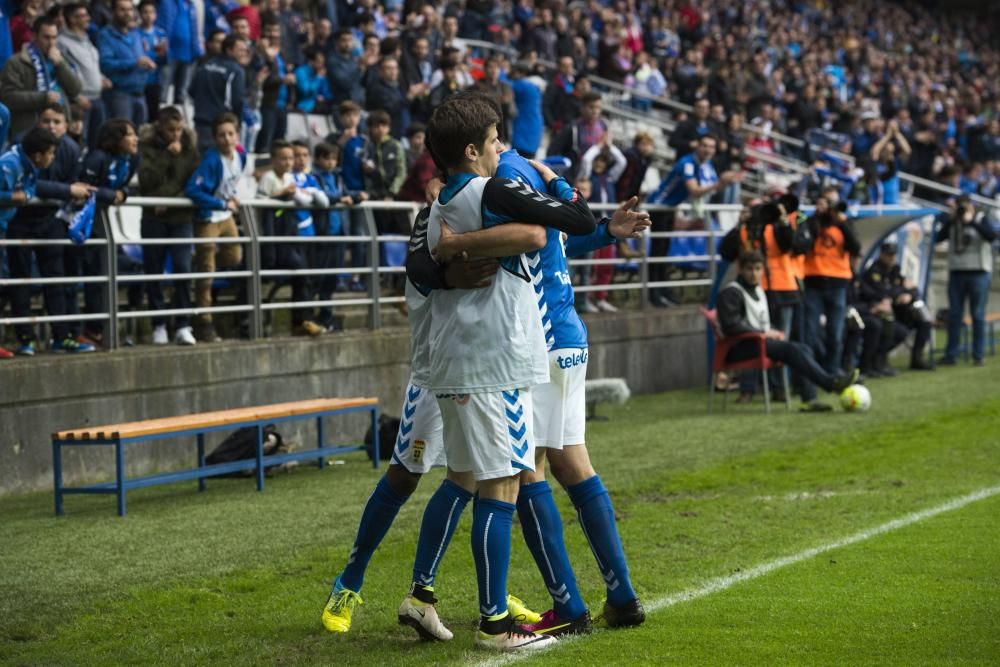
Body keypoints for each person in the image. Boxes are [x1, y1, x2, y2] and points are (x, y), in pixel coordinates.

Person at [717, 251, 858, 410]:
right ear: (740, 269)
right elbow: (731, 325)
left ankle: (810, 400)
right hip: (737, 348)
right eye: (749, 269)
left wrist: (772, 332)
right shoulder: (730, 292)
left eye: (758, 269)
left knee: (802, 348)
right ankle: (830, 383)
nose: (754, 274)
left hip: (758, 343)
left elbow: (759, 322)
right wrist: (763, 333)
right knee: (792, 349)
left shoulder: (758, 290)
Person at [6, 105, 95, 355]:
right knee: (20, 279)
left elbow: (73, 184)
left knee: (56, 279)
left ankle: (62, 337)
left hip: (50, 220)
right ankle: (26, 339)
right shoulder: (23, 143)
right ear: (38, 123)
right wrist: (66, 191)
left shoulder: (71, 149)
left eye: (57, 121)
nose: (51, 126)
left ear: (66, 125)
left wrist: (73, 193)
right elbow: (35, 185)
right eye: (46, 121)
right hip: (19, 220)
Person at [69, 118, 140, 347]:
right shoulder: (97, 158)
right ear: (117, 139)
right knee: (89, 275)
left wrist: (123, 194)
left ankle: (101, 328)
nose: (135, 139)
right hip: (79, 223)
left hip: (102, 223)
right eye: (130, 135)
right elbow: (83, 189)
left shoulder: (132, 159)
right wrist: (112, 196)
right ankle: (87, 330)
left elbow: (122, 189)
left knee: (107, 274)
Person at [647, 134, 740, 307]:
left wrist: (723, 182)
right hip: (659, 206)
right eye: (704, 145)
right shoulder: (687, 163)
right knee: (657, 251)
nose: (708, 150)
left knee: (664, 250)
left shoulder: (705, 165)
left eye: (711, 147)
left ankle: (661, 290)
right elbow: (695, 190)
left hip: (671, 208)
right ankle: (654, 293)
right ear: (697, 146)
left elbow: (710, 186)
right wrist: (720, 184)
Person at [138, 106, 200, 346]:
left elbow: (193, 181)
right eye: (170, 130)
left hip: (180, 217)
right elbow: (146, 180)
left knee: (183, 268)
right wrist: (167, 156)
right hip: (153, 217)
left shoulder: (190, 149)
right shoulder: (147, 147)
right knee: (153, 270)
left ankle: (184, 323)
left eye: (179, 129)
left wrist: (168, 200)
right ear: (160, 127)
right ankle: (158, 323)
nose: (175, 134)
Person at [184, 111, 245, 343]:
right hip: (209, 217)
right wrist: (220, 202)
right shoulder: (210, 161)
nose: (227, 139)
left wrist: (231, 198)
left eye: (230, 134)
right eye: (221, 135)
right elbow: (193, 190)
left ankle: (198, 265)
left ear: (237, 135)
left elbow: (233, 180)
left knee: (234, 256)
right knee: (206, 271)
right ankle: (204, 321)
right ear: (215, 138)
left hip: (226, 216)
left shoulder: (241, 154)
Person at [256, 139, 327, 337]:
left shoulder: (289, 178)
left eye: (290, 158)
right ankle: (302, 319)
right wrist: (281, 195)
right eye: (284, 158)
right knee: (301, 272)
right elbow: (260, 204)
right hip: (273, 240)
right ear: (274, 159)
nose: (288, 162)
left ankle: (302, 320)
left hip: (289, 236)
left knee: (304, 276)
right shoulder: (268, 178)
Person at [794, 196, 861, 375]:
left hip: (838, 284)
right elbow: (805, 242)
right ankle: (810, 373)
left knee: (835, 332)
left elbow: (856, 247)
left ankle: (832, 370)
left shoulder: (844, 225)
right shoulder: (811, 223)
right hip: (813, 283)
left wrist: (840, 222)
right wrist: (818, 217)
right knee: (809, 332)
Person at [936, 196, 996, 367]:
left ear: (971, 206)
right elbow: (938, 238)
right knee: (955, 315)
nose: (962, 209)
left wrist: (971, 222)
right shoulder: (953, 221)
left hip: (979, 272)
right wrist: (951, 220)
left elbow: (991, 236)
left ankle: (978, 355)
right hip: (956, 272)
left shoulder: (981, 218)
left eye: (965, 205)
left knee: (977, 315)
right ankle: (951, 355)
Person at [0, 15, 83, 138]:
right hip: (29, 130)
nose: (51, 42)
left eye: (54, 38)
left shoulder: (61, 59)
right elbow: (8, 97)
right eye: (46, 37)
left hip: (59, 129)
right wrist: (42, 98)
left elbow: (75, 89)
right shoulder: (17, 62)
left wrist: (60, 64)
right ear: (34, 36)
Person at [311, 142, 354, 328]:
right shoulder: (313, 177)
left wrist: (359, 196)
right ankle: (311, 315)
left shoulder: (338, 178)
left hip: (338, 235)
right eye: (327, 158)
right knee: (318, 278)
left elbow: (345, 194)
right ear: (318, 159)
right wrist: (339, 199)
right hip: (322, 235)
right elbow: (322, 197)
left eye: (334, 158)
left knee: (332, 279)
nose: (331, 162)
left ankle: (326, 316)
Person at [98, 0, 155, 127]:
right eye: (122, 10)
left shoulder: (136, 33)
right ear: (113, 12)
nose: (127, 13)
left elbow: (143, 58)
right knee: (121, 134)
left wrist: (150, 62)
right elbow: (106, 64)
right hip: (120, 95)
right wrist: (134, 63)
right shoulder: (106, 35)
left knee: (139, 136)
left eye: (130, 9)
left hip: (140, 93)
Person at [58, 3, 107, 149]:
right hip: (80, 102)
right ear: (72, 19)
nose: (88, 18)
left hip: (97, 98)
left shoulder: (87, 40)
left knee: (97, 141)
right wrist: (76, 97)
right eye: (83, 15)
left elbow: (91, 66)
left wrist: (101, 78)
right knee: (79, 143)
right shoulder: (62, 43)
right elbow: (62, 74)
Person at [190, 34, 248, 152]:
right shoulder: (236, 71)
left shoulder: (205, 65)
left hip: (199, 124)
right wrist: (237, 127)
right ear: (229, 50)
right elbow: (237, 101)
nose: (244, 53)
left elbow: (191, 91)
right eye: (240, 50)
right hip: (221, 128)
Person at [253, 21, 292, 154]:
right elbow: (262, 79)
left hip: (283, 104)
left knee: (280, 143)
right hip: (268, 103)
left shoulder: (282, 54)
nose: (273, 34)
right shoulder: (260, 55)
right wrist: (282, 79)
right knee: (265, 142)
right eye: (270, 31)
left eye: (276, 31)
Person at [156, 0, 203, 108]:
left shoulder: (192, 5)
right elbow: (162, 24)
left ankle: (178, 120)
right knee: (162, 91)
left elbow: (196, 28)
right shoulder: (167, 2)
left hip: (188, 54)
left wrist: (197, 49)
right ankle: (160, 119)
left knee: (182, 94)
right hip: (169, 54)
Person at [136, 0, 167, 124]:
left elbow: (165, 59)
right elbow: (138, 56)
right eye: (145, 12)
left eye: (152, 12)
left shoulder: (160, 33)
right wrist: (153, 54)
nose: (148, 15)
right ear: (139, 14)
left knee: (154, 115)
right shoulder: (135, 33)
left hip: (156, 80)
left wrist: (164, 54)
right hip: (140, 81)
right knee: (141, 114)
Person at [365, 56, 410, 140]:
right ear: (380, 71)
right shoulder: (376, 89)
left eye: (395, 68)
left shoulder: (399, 86)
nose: (393, 71)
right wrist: (409, 97)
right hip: (388, 134)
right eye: (389, 68)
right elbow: (391, 108)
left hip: (404, 131)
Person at [868, 120, 911, 206]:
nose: (890, 155)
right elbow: (875, 151)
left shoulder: (894, 164)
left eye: (891, 152)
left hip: (893, 205)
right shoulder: (875, 164)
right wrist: (888, 135)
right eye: (887, 152)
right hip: (878, 205)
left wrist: (897, 133)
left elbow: (907, 151)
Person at [508, 61, 543, 159]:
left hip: (523, 130)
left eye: (513, 72)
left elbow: (503, 85)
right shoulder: (533, 86)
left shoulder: (520, 85)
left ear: (521, 73)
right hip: (534, 130)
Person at [326, 28, 363, 105]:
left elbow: (363, 82)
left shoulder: (354, 59)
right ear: (337, 42)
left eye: (350, 40)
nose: (348, 43)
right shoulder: (332, 61)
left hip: (358, 102)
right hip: (342, 104)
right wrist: (360, 68)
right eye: (344, 40)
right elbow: (344, 83)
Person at [294, 46, 331, 114]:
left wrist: (323, 97)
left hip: (319, 106)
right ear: (311, 61)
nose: (321, 65)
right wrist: (318, 78)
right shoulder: (301, 71)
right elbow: (305, 91)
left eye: (323, 62)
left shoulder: (319, 72)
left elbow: (327, 93)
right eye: (319, 62)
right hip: (303, 107)